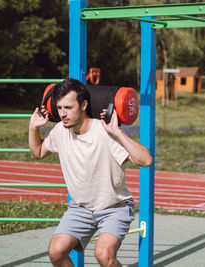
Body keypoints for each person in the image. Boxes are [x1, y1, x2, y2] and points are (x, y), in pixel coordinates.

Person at [28, 78, 152, 267]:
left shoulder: (104, 132)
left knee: (104, 255)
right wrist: (33, 127)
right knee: (56, 251)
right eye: (59, 108)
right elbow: (37, 152)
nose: (63, 114)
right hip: (81, 208)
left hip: (114, 208)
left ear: (84, 104)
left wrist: (117, 132)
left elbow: (146, 160)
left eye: (68, 107)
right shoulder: (60, 131)